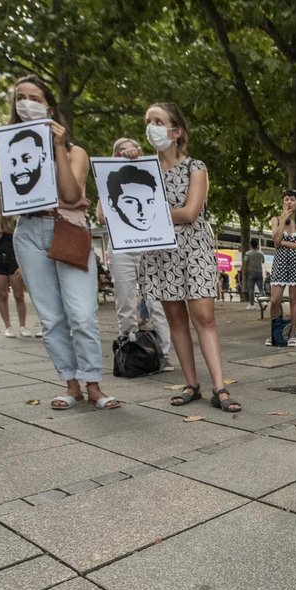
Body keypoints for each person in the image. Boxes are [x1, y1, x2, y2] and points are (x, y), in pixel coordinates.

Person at [7, 75, 119, 410]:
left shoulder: (74, 152)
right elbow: (17, 199)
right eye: (20, 97)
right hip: (28, 234)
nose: (26, 103)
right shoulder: (11, 148)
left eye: (34, 97)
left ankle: (93, 384)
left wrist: (57, 148)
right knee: (52, 318)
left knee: (82, 314)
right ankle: (70, 385)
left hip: (67, 232)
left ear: (49, 106)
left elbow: (71, 194)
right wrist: (54, 201)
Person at [129, 102, 237, 410]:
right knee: (175, 319)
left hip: (194, 251)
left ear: (176, 131)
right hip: (161, 252)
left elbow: (190, 213)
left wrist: (151, 214)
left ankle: (220, 387)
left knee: (204, 317)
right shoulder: (142, 170)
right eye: (148, 121)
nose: (151, 126)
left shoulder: (196, 167)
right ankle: (192, 384)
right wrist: (123, 163)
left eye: (158, 121)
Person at [101, 138, 173, 372]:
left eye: (130, 149)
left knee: (157, 302)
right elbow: (101, 216)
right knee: (125, 301)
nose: (126, 152)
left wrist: (141, 159)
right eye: (120, 150)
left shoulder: (149, 175)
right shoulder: (109, 180)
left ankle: (164, 354)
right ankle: (130, 351)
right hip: (122, 249)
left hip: (148, 247)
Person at [0, 196, 35, 338]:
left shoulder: (15, 223)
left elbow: (23, 244)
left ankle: (23, 326)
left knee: (19, 295)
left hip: (13, 260)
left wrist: (22, 263)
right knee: (2, 295)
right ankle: (8, 327)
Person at [267, 189, 296, 347]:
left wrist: (282, 243)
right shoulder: (275, 220)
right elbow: (275, 240)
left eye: (292, 199)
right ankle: (276, 332)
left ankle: (292, 333)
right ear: (282, 202)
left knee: (294, 300)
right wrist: (283, 218)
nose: (289, 202)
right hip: (280, 262)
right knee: (275, 299)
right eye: (286, 199)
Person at [243, 239, 265, 309]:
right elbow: (263, 261)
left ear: (250, 245)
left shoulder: (247, 253)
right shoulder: (261, 253)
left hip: (251, 272)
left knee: (251, 289)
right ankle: (264, 301)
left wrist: (245, 272)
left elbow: (245, 263)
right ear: (257, 245)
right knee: (261, 288)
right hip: (259, 272)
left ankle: (252, 305)